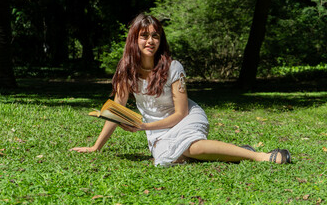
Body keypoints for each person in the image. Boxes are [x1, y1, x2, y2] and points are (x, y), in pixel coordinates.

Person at [70, 13, 291, 167]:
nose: (150, 41)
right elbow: (116, 110)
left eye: (155, 35)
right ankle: (229, 151)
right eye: (144, 36)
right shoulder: (126, 70)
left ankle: (259, 156)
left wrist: (144, 125)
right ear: (134, 40)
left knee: (190, 149)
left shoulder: (173, 67)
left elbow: (181, 113)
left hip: (185, 118)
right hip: (157, 128)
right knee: (171, 159)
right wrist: (95, 147)